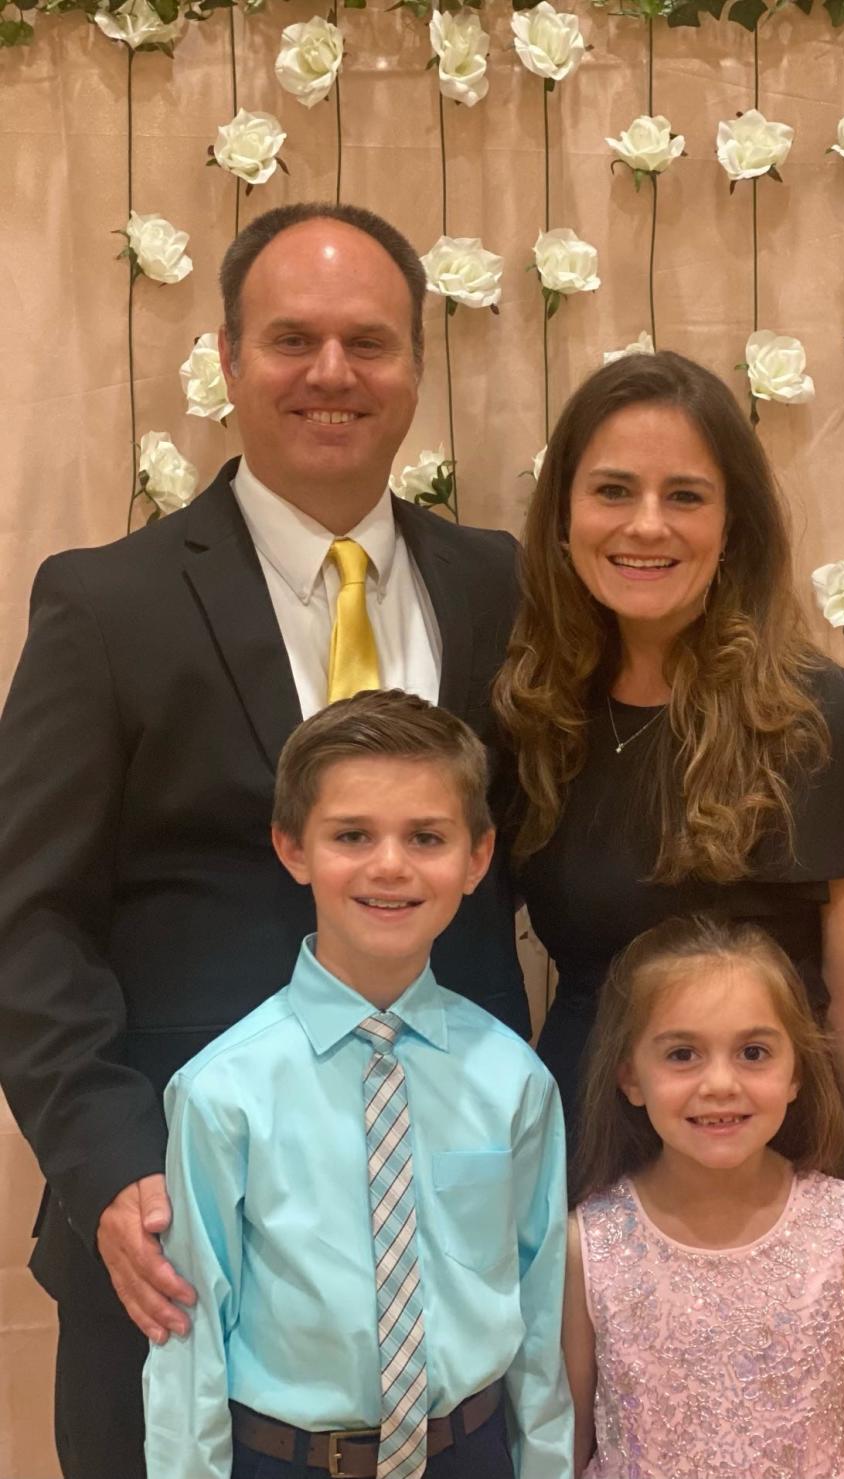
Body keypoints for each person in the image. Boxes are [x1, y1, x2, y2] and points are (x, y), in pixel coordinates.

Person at [0, 201, 529, 1479]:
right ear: (227, 361)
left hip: (450, 1251)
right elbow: (29, 918)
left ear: (415, 369)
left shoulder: (502, 587)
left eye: (370, 343)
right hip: (181, 1246)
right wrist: (114, 1164)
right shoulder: (106, 602)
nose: (333, 374)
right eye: (292, 339)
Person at [492, 350, 844, 1475]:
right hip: (594, 1156)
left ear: (734, 526)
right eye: (612, 491)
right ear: (562, 521)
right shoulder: (535, 720)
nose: (644, 525)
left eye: (685, 495)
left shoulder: (823, 725)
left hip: (789, 1163)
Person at [142, 690, 572, 1479]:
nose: (389, 864)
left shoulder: (515, 1081)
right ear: (292, 847)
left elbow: (541, 1313)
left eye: (426, 836)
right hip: (289, 1457)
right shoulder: (222, 1090)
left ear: (478, 858)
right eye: (352, 834)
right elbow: (188, 1341)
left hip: (470, 1453)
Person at [562, 914, 844, 1479]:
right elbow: (569, 1440)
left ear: (797, 1072)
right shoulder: (590, 1244)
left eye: (753, 1053)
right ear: (629, 1077)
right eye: (682, 1055)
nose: (720, 1084)